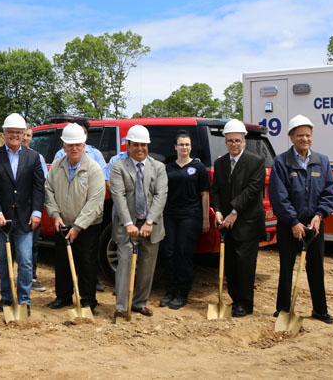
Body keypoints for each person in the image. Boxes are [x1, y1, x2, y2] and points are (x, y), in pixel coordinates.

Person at [269, 115, 333, 324]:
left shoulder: (322, 161)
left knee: (316, 267)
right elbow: (279, 196)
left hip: (314, 224)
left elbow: (328, 192)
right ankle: (283, 310)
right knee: (287, 268)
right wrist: (293, 222)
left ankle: (320, 309)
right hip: (289, 225)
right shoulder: (281, 162)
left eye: (308, 135)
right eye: (300, 135)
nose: (304, 139)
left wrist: (319, 216)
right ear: (291, 137)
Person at [0, 114, 45, 315]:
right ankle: (7, 298)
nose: (15, 136)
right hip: (3, 220)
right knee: (4, 260)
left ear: (23, 135)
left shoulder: (33, 157)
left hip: (26, 218)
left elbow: (38, 187)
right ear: (4, 134)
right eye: (11, 132)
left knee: (26, 260)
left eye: (18, 132)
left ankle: (24, 299)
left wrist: (37, 212)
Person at [45, 123, 106, 313]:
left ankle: (88, 300)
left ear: (84, 145)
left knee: (87, 262)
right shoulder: (57, 165)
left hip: (88, 226)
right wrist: (55, 215)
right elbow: (49, 191)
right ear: (63, 146)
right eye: (70, 144)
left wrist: (78, 227)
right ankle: (63, 297)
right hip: (63, 223)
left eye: (78, 144)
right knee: (62, 262)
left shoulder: (93, 168)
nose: (74, 148)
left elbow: (95, 202)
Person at [110, 125, 168, 319]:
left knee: (147, 268)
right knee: (125, 263)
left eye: (143, 145)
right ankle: (121, 306)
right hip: (127, 225)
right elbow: (118, 196)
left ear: (148, 146)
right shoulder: (119, 167)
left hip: (151, 225)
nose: (140, 148)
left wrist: (150, 221)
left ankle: (139, 303)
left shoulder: (158, 167)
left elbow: (161, 195)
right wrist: (128, 223)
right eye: (136, 145)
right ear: (128, 145)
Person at [210, 119, 265, 317]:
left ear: (244, 140)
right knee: (230, 265)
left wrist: (234, 212)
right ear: (225, 141)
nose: (234, 144)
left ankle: (245, 303)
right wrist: (217, 210)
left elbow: (252, 191)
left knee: (245, 265)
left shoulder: (255, 161)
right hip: (226, 223)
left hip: (247, 222)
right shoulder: (220, 162)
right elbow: (215, 190)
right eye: (230, 141)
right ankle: (235, 300)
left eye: (237, 141)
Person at [160, 131, 210, 310]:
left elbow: (205, 194)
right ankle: (170, 291)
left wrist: (205, 219)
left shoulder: (198, 167)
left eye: (187, 144)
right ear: (175, 147)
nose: (184, 147)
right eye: (181, 144)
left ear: (191, 147)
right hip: (170, 215)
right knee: (169, 253)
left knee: (183, 253)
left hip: (190, 215)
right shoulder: (169, 168)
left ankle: (182, 293)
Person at [22, 124, 48, 292]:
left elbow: (42, 184)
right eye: (23, 134)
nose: (25, 138)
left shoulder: (38, 158)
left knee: (32, 245)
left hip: (31, 207)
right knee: (12, 246)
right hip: (13, 208)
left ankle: (31, 276)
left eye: (29, 135)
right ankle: (13, 278)